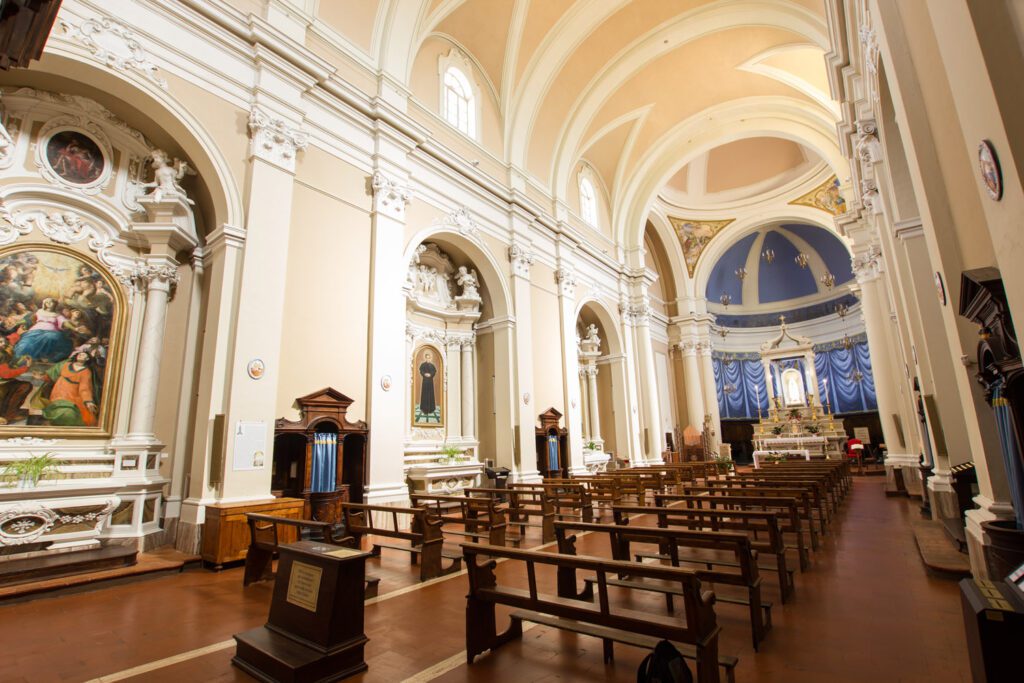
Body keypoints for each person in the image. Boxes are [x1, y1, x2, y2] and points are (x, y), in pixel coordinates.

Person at [37, 350, 99, 426]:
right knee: (60, 407)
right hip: (59, 391)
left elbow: (85, 388)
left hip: (75, 394)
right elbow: (53, 373)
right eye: (79, 354)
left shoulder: (86, 372)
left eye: (83, 355)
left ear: (87, 359)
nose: (80, 355)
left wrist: (88, 401)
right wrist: (42, 377)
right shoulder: (65, 364)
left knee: (75, 413)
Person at [14, 298, 72, 362]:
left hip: (51, 332)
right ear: (44, 304)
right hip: (34, 332)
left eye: (51, 302)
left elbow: (65, 323)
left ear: (55, 304)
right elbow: (27, 320)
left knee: (51, 337)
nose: (49, 304)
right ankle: (22, 360)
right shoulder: (38, 312)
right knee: (26, 344)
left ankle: (44, 358)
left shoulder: (57, 315)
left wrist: (75, 328)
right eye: (47, 302)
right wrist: (21, 325)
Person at [0, 337, 32, 424]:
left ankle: (8, 414)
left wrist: (21, 361)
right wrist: (26, 367)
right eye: (0, 342)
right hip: (3, 383)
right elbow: (6, 374)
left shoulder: (4, 353)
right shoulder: (1, 354)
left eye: (3, 342)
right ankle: (7, 416)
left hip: (4, 382)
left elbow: (8, 367)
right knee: (24, 386)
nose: (4, 344)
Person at [418, 350, 438, 421]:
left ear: (430, 358)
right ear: (425, 358)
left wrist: (430, 374)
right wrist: (424, 374)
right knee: (425, 395)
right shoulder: (423, 365)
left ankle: (431, 409)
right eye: (427, 358)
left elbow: (434, 371)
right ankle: (424, 409)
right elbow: (421, 371)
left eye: (429, 358)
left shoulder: (432, 365)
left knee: (430, 395)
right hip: (425, 382)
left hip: (430, 382)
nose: (428, 359)